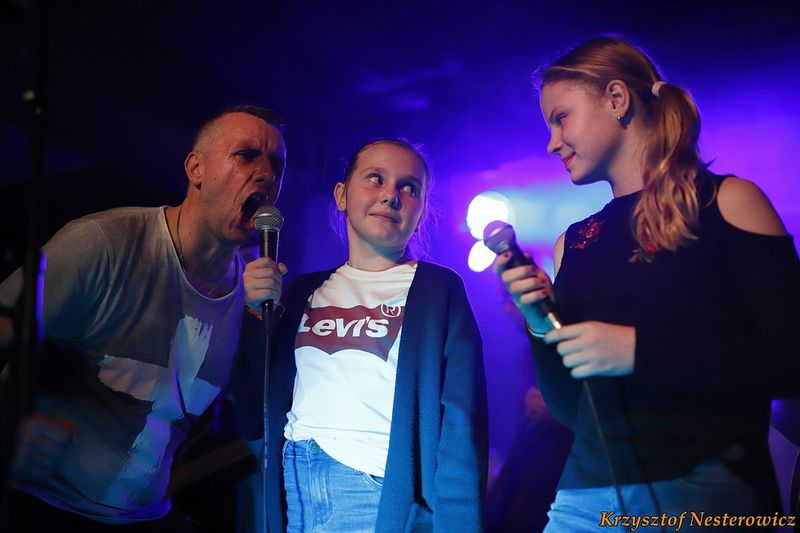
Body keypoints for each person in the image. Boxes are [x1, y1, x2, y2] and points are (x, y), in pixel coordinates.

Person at [494, 36, 800, 531]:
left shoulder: (727, 202)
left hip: (705, 492)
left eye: (561, 118)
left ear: (617, 99)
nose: (551, 142)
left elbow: (791, 362)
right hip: (583, 500)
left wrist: (639, 352)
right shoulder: (573, 243)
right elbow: (572, 409)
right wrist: (538, 324)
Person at [0, 104, 287, 531]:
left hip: (143, 518)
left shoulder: (250, 294)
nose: (265, 173)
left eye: (276, 165)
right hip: (35, 506)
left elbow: (247, 420)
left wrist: (262, 320)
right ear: (196, 169)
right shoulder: (105, 243)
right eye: (245, 155)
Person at [244, 138, 488, 532]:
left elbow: (461, 424)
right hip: (293, 488)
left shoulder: (437, 289)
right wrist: (255, 314)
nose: (391, 195)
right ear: (341, 195)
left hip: (373, 493)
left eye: (409, 188)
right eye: (376, 178)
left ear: (421, 211)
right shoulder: (303, 290)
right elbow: (251, 409)